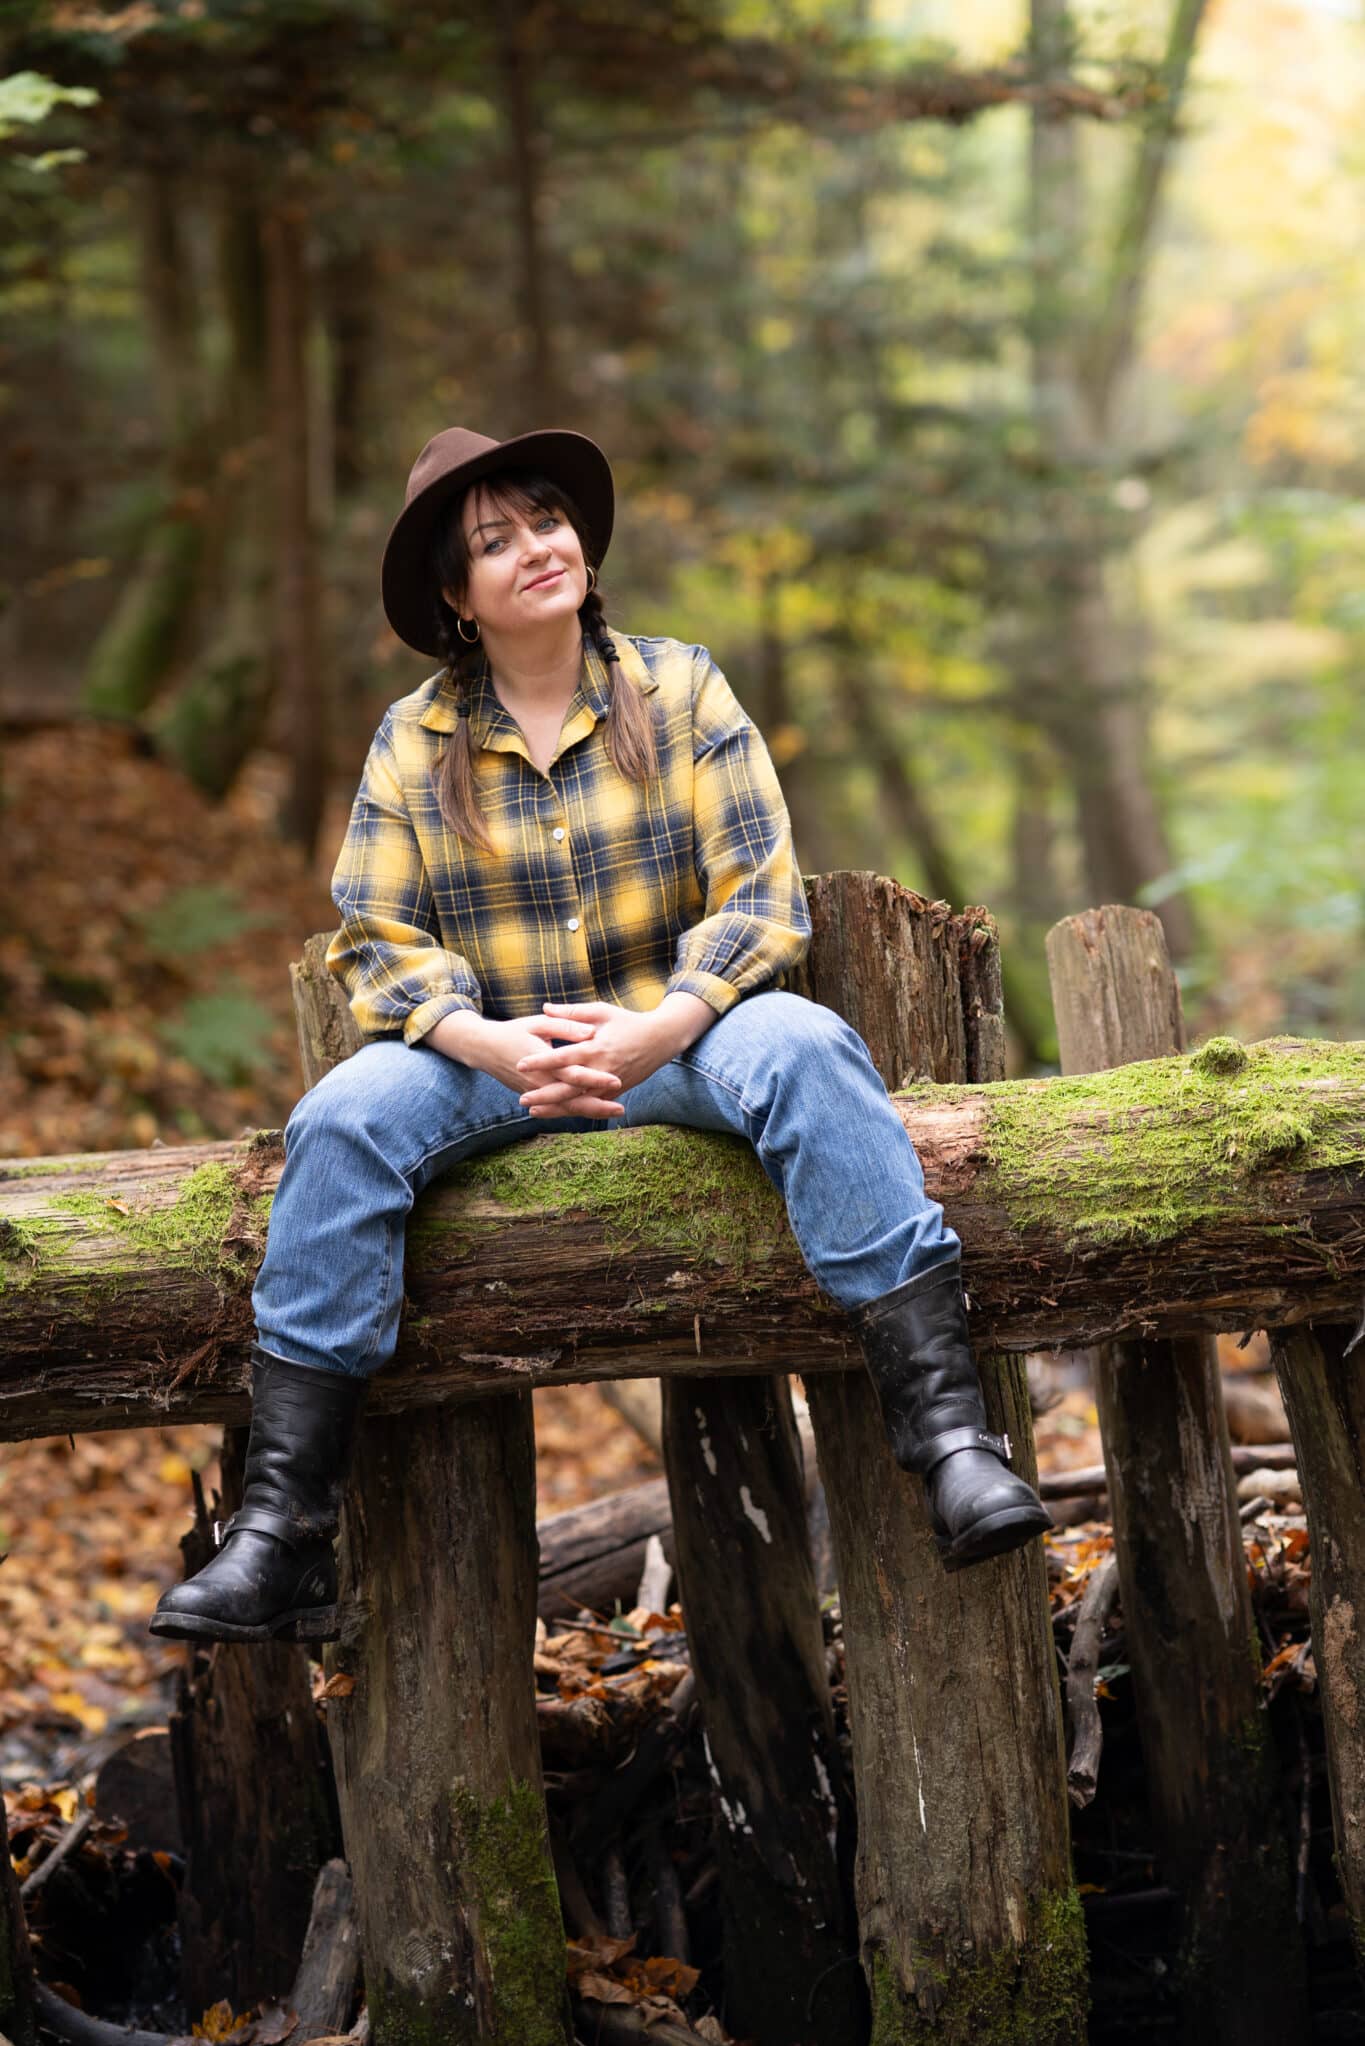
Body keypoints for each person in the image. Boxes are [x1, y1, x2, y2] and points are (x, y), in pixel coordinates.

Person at [149, 426, 1048, 1645]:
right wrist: (490, 1044)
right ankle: (284, 1531)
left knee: (806, 1046)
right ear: (456, 598)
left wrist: (657, 1030)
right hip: (489, 1063)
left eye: (547, 520)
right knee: (339, 1117)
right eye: (494, 541)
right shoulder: (413, 740)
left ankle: (950, 1442)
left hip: (679, 1037)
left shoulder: (680, 688)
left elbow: (760, 895)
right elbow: (376, 936)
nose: (536, 547)